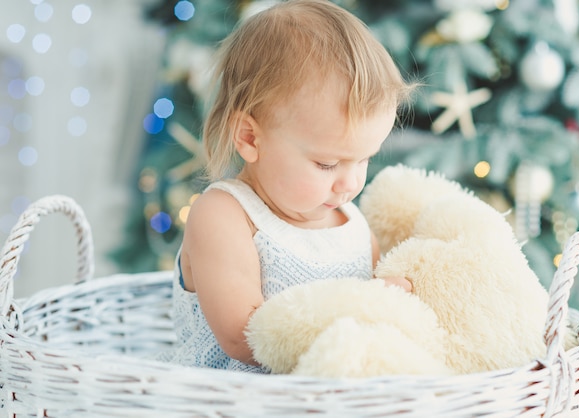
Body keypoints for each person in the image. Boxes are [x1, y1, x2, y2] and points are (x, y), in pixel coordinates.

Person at [160, 0, 417, 373]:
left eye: (364, 159)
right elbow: (244, 336)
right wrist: (367, 305)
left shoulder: (352, 223)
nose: (351, 182)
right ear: (249, 137)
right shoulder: (225, 216)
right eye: (326, 164)